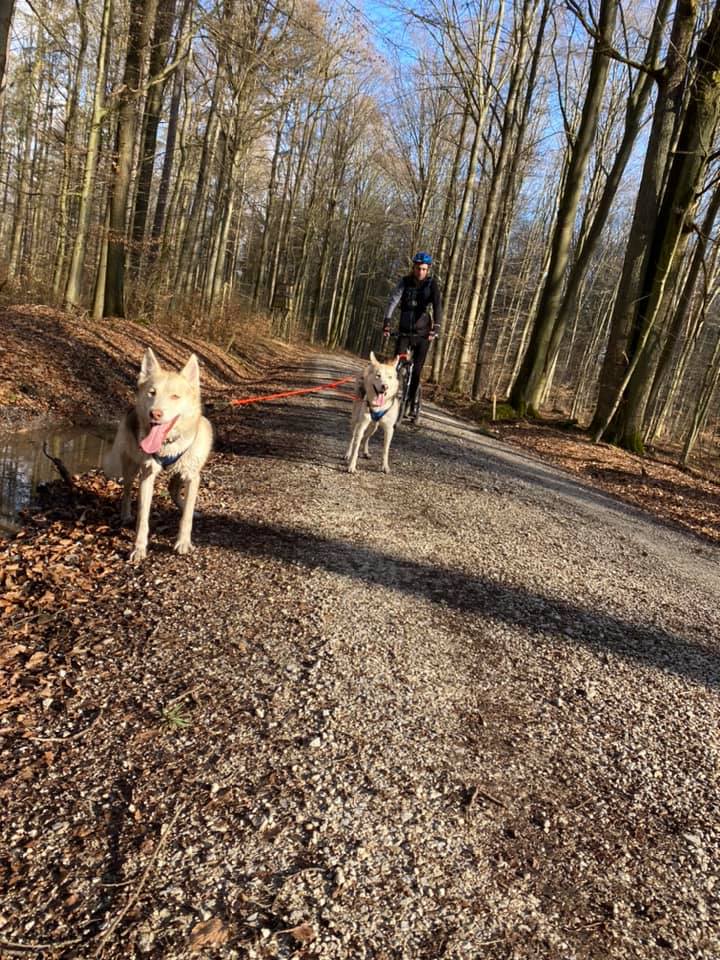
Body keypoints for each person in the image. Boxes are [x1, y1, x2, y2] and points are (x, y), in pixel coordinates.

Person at [382, 251, 442, 422]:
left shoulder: (431, 284)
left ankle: (409, 403)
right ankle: (388, 399)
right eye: (418, 268)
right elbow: (393, 300)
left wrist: (436, 327)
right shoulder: (405, 282)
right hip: (404, 332)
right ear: (413, 268)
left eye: (424, 269)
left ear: (427, 269)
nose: (420, 272)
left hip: (423, 334)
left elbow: (437, 306)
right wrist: (387, 322)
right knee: (395, 367)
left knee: (416, 371)